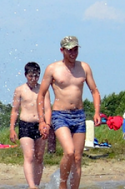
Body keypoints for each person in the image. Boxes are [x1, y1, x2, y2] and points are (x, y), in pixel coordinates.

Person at [35, 36, 104, 189]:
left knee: (78, 159)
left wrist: (97, 112)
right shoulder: (53, 69)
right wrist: (42, 121)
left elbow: (94, 91)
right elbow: (41, 95)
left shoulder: (84, 67)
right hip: (60, 115)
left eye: (75, 49)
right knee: (69, 152)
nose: (73, 53)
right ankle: (62, 185)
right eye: (70, 50)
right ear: (62, 50)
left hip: (79, 115)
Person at [11, 62, 48, 188]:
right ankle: (31, 185)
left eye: (36, 76)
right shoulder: (20, 90)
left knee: (39, 157)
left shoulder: (43, 90)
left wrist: (47, 125)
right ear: (26, 75)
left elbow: (47, 109)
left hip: (40, 124)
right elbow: (15, 110)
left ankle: (36, 184)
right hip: (25, 124)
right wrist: (12, 128)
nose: (33, 79)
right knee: (29, 156)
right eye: (31, 76)